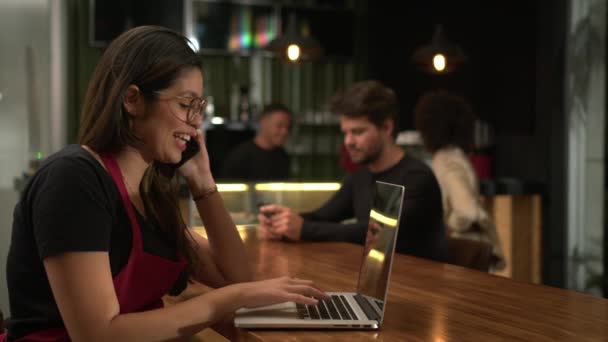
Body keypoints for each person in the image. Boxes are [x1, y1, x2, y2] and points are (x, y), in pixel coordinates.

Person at [2, 26, 326, 342]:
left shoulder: (150, 193)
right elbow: (96, 334)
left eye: (198, 108)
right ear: (133, 99)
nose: (195, 122)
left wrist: (203, 183)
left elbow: (234, 276)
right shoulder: (73, 179)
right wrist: (228, 300)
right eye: (186, 105)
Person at [257, 80, 447, 262]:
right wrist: (279, 224)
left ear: (387, 128)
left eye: (357, 132)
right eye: (345, 132)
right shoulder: (361, 176)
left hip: (423, 287)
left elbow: (378, 232)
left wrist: (304, 228)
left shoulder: (416, 177)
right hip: (378, 284)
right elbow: (323, 216)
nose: (348, 141)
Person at [413, 90, 505, 270]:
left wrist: (449, 226)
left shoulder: (446, 160)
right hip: (471, 248)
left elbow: (467, 211)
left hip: (464, 250)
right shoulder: (455, 155)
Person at [220, 103, 291, 180]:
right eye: (279, 126)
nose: (285, 132)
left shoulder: (282, 156)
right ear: (263, 123)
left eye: (288, 127)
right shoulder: (240, 157)